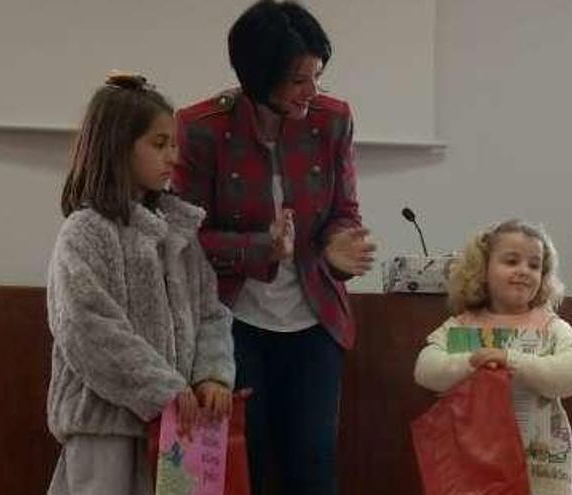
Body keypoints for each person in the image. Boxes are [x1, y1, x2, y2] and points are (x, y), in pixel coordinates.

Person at [173, 1, 376, 493]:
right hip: (233, 321)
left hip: (314, 319)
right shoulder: (203, 128)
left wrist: (336, 246)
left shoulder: (333, 119)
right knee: (248, 464)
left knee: (312, 464)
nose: (313, 91)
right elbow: (184, 236)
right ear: (258, 76)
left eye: (317, 76)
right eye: (298, 80)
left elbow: (343, 212)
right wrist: (261, 250)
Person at [45, 73, 235, 495]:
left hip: (178, 427)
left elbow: (210, 312)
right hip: (105, 429)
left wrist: (213, 375)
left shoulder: (181, 233)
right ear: (118, 147)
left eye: (174, 144)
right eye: (159, 143)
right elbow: (88, 328)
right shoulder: (86, 232)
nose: (173, 156)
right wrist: (161, 388)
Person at [414, 219, 572, 495]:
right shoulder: (463, 325)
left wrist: (512, 360)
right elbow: (425, 369)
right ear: (482, 269)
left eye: (534, 265)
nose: (524, 271)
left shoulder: (550, 326)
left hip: (539, 463)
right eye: (511, 261)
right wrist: (470, 362)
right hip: (473, 460)